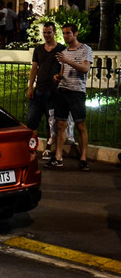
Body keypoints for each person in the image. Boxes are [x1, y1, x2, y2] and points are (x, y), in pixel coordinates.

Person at [46, 23, 93, 171]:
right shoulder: (64, 51)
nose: (66, 36)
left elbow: (85, 69)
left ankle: (83, 158)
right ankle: (58, 157)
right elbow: (63, 71)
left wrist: (68, 61)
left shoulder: (85, 50)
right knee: (60, 125)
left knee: (80, 125)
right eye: (64, 33)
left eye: (68, 33)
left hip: (77, 92)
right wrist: (57, 76)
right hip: (63, 90)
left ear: (75, 33)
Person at [27, 22, 67, 160]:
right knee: (32, 121)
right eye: (44, 32)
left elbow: (64, 67)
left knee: (52, 122)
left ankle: (49, 149)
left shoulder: (62, 49)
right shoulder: (38, 49)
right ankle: (31, 148)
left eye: (49, 32)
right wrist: (30, 87)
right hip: (39, 90)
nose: (46, 35)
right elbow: (34, 69)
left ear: (55, 33)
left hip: (54, 91)